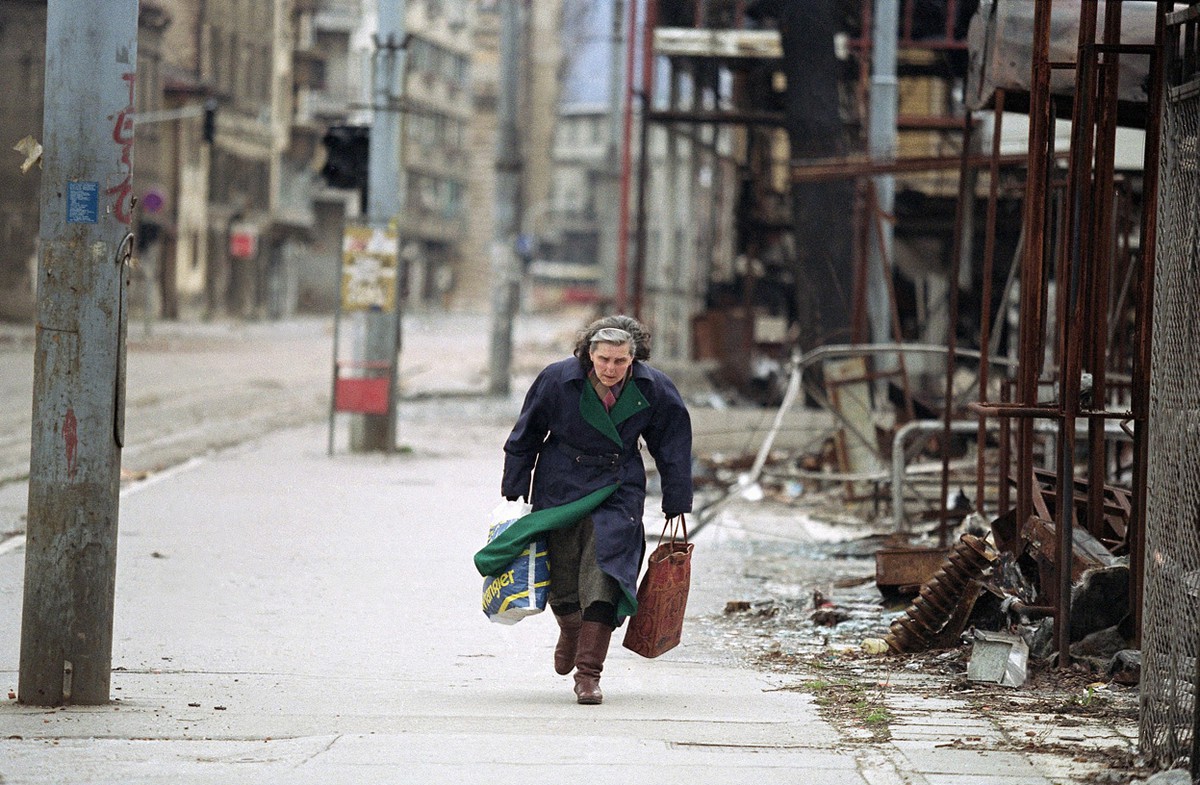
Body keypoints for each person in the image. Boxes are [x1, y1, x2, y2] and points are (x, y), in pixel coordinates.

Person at [498, 315, 693, 704]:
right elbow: (527, 432)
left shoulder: (653, 387)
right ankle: (571, 628)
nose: (611, 369)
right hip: (561, 484)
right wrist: (516, 482)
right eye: (603, 359)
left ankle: (589, 675)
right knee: (562, 571)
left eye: (620, 362)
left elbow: (673, 443)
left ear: (633, 360)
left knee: (607, 571)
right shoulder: (557, 380)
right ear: (589, 354)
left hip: (618, 486)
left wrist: (677, 498)